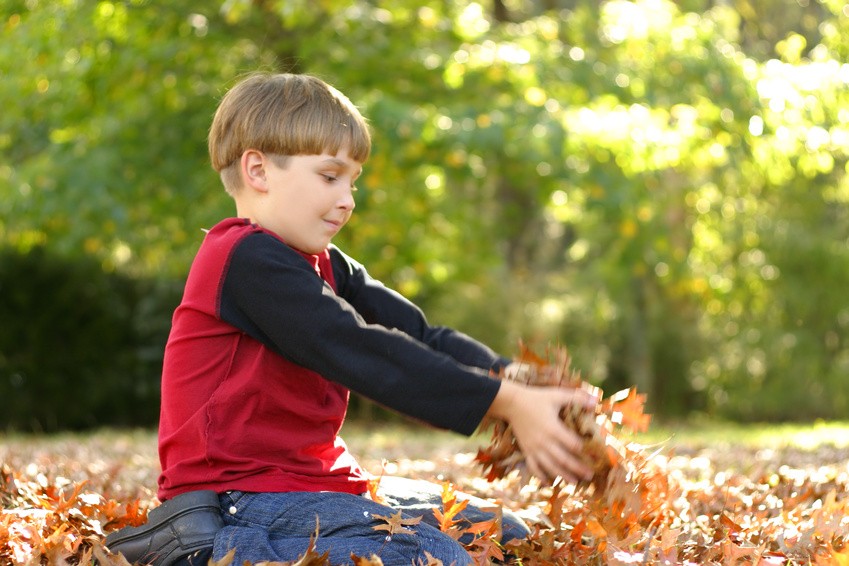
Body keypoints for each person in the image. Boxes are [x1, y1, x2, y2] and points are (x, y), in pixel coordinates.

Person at [109, 72, 596, 566]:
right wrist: (504, 402)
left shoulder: (322, 262)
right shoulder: (243, 258)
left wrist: (514, 379)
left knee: (501, 535)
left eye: (352, 181)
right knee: (431, 558)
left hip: (316, 488)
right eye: (329, 176)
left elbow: (417, 334)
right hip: (239, 498)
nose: (348, 199)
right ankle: (204, 553)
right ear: (257, 170)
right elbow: (357, 348)